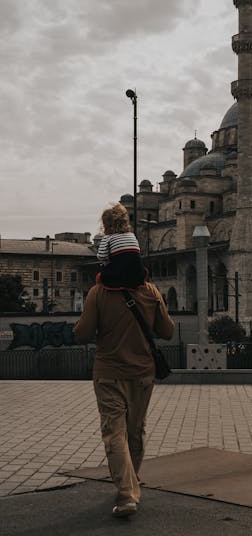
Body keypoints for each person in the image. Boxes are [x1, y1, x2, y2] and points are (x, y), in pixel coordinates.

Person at [74, 208, 175, 519]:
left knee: (114, 433)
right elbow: (167, 332)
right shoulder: (151, 292)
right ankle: (132, 482)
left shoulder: (98, 293)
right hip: (143, 374)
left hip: (108, 374)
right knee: (135, 431)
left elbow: (83, 334)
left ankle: (126, 493)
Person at [97, 203, 146, 289]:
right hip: (138, 277)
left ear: (105, 225)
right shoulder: (132, 235)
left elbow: (102, 257)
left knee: (99, 277)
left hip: (117, 278)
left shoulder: (107, 238)